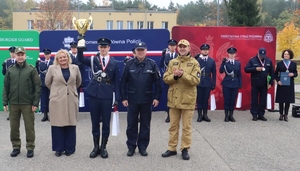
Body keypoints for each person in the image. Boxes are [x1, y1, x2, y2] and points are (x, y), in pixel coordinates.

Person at [78, 37, 120, 159]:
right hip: (94, 95)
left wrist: (117, 97)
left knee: (106, 123)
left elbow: (117, 82)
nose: (103, 49)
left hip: (107, 96)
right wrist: (80, 47)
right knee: (95, 122)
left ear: (109, 48)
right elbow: (80, 59)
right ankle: (95, 147)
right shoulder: (93, 60)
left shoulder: (114, 63)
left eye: (105, 47)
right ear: (98, 48)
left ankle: (103, 147)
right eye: (101, 47)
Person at [161, 39, 200, 160]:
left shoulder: (194, 63)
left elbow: (195, 80)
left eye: (185, 47)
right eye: (180, 47)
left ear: (189, 49)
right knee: (173, 126)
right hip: (174, 100)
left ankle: (185, 148)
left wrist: (183, 75)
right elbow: (166, 78)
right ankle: (172, 148)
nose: (182, 49)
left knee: (186, 127)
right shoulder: (172, 62)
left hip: (187, 100)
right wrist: (175, 76)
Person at [121, 42, 161, 157]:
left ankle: (142, 147)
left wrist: (157, 97)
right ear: (135, 51)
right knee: (131, 124)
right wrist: (123, 97)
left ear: (146, 51)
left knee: (145, 125)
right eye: (138, 50)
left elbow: (157, 83)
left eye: (142, 50)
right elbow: (123, 82)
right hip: (132, 99)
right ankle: (131, 146)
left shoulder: (152, 64)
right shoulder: (129, 64)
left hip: (146, 99)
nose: (140, 52)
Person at [2, 46, 41, 158]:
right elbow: (6, 87)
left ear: (25, 55)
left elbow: (37, 87)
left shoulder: (31, 69)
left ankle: (30, 147)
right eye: (18, 55)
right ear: (15, 55)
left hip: (27, 104)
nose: (20, 57)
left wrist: (35, 103)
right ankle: (16, 146)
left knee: (29, 127)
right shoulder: (11, 70)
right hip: (13, 103)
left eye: (21, 55)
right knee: (14, 127)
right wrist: (5, 102)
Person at [45, 49, 82, 157]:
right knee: (58, 124)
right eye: (60, 57)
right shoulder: (52, 69)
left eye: (64, 57)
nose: (63, 59)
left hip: (71, 98)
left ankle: (70, 148)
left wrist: (70, 90)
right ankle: (59, 148)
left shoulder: (75, 68)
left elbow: (78, 82)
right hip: (57, 100)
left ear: (68, 57)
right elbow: (47, 82)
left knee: (71, 124)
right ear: (57, 59)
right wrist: (56, 91)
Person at [244, 47, 274, 121]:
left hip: (264, 84)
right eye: (260, 55)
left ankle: (261, 114)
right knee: (254, 100)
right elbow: (246, 69)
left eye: (263, 55)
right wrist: (255, 69)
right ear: (258, 53)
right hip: (255, 83)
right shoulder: (252, 60)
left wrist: (271, 83)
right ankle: (254, 114)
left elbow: (272, 73)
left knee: (263, 100)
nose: (262, 57)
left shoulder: (269, 60)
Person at [274, 49, 298, 122]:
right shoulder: (279, 63)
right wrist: (278, 80)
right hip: (281, 84)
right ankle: (281, 114)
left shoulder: (293, 64)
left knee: (288, 100)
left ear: (290, 55)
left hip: (289, 84)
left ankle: (286, 114)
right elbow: (275, 74)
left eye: (287, 54)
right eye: (285, 54)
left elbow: (296, 73)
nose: (286, 55)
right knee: (281, 100)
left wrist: (293, 74)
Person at [219, 47, 242, 122]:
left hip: (235, 83)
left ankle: (231, 115)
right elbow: (221, 71)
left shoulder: (238, 63)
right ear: (228, 54)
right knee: (227, 100)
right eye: (230, 54)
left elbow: (239, 74)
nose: (232, 55)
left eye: (233, 54)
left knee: (233, 100)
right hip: (227, 83)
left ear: (235, 54)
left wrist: (240, 83)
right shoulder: (225, 62)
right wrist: (222, 63)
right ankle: (226, 116)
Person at [195, 44, 216, 122]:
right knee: (199, 99)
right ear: (201, 51)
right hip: (199, 82)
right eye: (203, 50)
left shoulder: (211, 61)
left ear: (208, 51)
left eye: (206, 49)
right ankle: (199, 115)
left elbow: (214, 73)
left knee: (205, 99)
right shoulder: (197, 60)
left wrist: (213, 83)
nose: (205, 51)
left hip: (207, 82)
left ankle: (205, 115)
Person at [159, 39, 178, 123]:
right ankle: (169, 115)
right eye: (171, 45)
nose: (172, 47)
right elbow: (160, 65)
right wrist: (163, 56)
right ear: (168, 46)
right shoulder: (166, 56)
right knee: (168, 97)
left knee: (176, 96)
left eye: (174, 45)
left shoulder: (178, 55)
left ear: (176, 46)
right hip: (167, 78)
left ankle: (176, 115)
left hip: (177, 79)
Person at [36, 48, 54, 122]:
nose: (46, 55)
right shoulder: (41, 63)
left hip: (51, 84)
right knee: (44, 100)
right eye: (45, 54)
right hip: (43, 84)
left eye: (48, 54)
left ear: (50, 54)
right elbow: (38, 72)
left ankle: (52, 115)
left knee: (52, 100)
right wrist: (36, 65)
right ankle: (45, 115)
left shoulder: (53, 63)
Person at [2, 46, 16, 121]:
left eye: (13, 52)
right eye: (11, 52)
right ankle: (11, 114)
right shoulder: (7, 62)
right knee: (10, 98)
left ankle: (17, 113)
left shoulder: (18, 61)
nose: (12, 54)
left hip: (17, 82)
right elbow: (4, 73)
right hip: (9, 82)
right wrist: (4, 67)